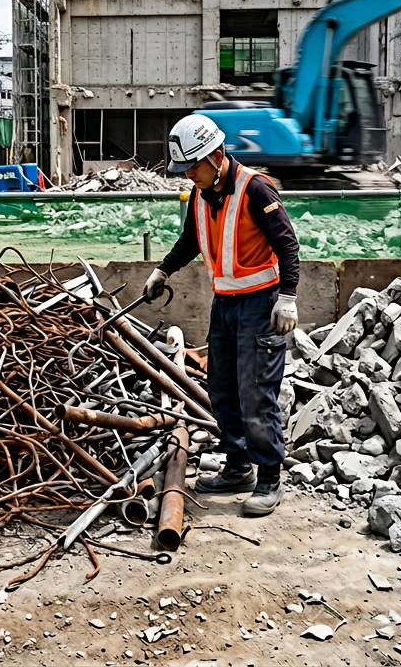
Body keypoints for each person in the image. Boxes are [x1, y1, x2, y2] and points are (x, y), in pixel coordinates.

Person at [143, 114, 301, 517]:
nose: (188, 176)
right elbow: (191, 240)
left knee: (256, 392)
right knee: (223, 388)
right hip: (225, 305)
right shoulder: (201, 193)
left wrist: (288, 297)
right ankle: (237, 467)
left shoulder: (255, 189)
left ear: (216, 155)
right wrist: (163, 269)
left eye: (192, 167)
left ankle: (268, 476)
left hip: (260, 306)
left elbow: (287, 244)